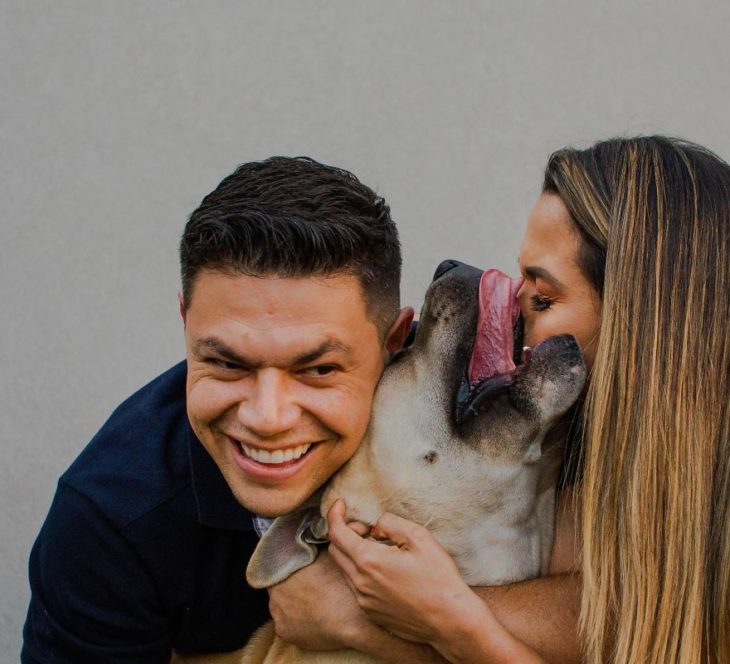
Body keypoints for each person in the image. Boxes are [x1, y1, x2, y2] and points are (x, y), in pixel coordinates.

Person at [324, 136, 730, 663]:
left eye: (542, 299)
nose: (516, 325)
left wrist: (432, 619)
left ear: (649, 323)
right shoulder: (578, 474)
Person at [21, 156, 415, 663]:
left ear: (395, 343)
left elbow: (555, 623)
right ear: (186, 322)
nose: (268, 418)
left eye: (318, 370)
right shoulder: (109, 520)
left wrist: (361, 622)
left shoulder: (475, 417)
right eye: (227, 364)